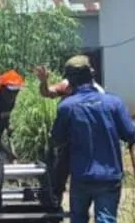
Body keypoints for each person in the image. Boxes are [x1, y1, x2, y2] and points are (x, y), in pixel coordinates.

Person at [49, 58, 135, 223]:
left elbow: (57, 139)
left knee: (78, 221)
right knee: (105, 222)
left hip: (81, 176)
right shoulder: (113, 103)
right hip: (109, 175)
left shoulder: (67, 107)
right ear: (92, 75)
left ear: (69, 81)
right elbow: (130, 133)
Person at [36, 56, 104, 207]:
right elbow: (47, 92)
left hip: (88, 140)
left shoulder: (99, 93)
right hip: (68, 140)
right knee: (58, 172)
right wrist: (43, 82)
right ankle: (55, 202)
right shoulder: (67, 86)